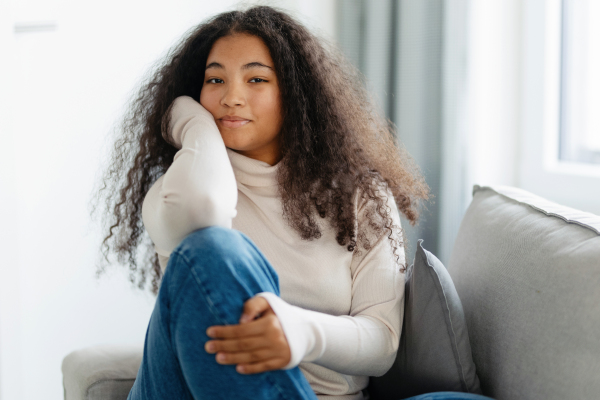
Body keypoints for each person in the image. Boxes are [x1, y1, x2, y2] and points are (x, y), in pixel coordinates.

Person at [92, 5, 494, 400]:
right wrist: (191, 123)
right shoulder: (175, 191)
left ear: (296, 94)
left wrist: (299, 333)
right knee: (212, 248)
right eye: (214, 81)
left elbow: (382, 342)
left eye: (256, 80)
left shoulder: (360, 195)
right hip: (196, 389)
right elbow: (205, 211)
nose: (231, 97)